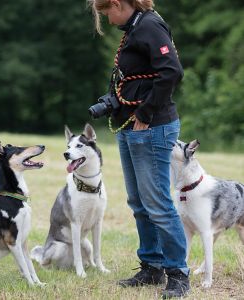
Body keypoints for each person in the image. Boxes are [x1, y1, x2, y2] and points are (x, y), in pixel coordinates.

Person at [87, 0, 190, 298]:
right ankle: (152, 266)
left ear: (118, 3)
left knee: (157, 203)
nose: (107, 20)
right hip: (130, 128)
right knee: (139, 203)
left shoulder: (149, 25)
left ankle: (178, 273)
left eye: (107, 13)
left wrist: (145, 113)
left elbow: (172, 71)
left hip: (152, 127)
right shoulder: (133, 28)